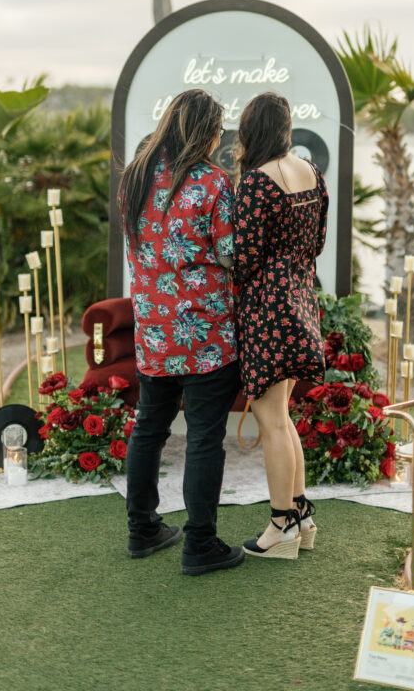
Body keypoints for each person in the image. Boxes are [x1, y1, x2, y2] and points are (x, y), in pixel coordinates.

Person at [118, 88, 244, 576]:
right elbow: (231, 254)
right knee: (204, 438)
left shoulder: (135, 177)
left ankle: (142, 529)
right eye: (217, 130)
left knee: (149, 428)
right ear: (207, 131)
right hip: (206, 337)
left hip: (153, 333)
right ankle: (200, 544)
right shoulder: (212, 183)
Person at [233, 92, 328, 558]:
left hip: (267, 309)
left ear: (252, 131)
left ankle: (280, 528)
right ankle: (302, 518)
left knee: (271, 420)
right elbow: (318, 243)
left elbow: (245, 256)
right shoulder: (313, 175)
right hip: (301, 298)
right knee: (283, 417)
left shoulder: (255, 183)